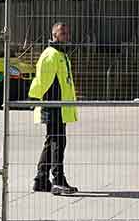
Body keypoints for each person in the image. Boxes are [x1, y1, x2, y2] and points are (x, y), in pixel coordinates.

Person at [29, 22, 79, 195]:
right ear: (54, 35)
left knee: (52, 141)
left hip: (58, 106)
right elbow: (43, 81)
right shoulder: (51, 54)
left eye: (67, 33)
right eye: (62, 33)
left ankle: (41, 180)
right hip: (53, 106)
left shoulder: (60, 54)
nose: (66, 36)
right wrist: (39, 101)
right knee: (58, 142)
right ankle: (57, 180)